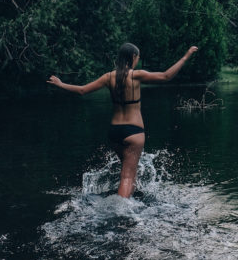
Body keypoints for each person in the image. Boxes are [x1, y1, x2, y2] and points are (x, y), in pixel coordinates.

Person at [47, 43, 198, 198]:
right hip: (133, 132)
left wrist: (61, 84)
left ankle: (130, 201)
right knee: (127, 175)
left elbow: (82, 90)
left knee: (130, 171)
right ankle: (121, 210)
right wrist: (186, 55)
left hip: (114, 133)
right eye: (137, 58)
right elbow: (166, 76)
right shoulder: (136, 75)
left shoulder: (108, 77)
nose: (137, 60)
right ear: (133, 57)